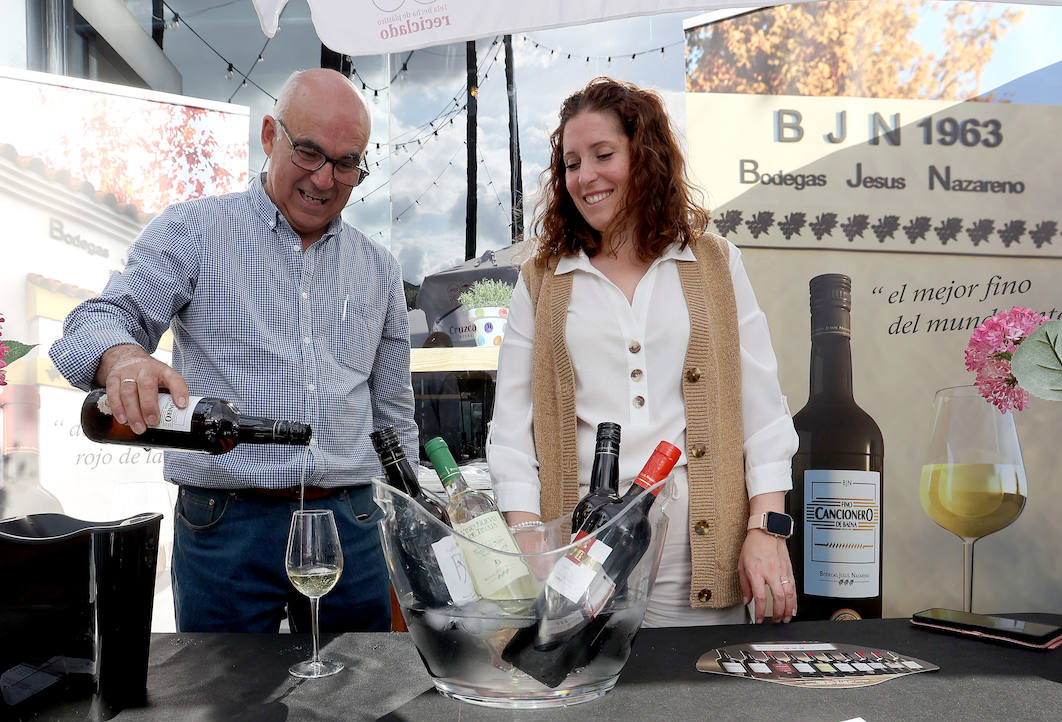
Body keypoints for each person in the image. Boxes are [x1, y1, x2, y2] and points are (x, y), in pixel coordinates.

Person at [49, 69, 416, 634]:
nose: (325, 178)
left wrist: (410, 519)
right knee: (224, 709)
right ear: (270, 136)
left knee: (357, 701)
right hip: (226, 527)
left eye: (347, 163)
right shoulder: (196, 232)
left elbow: (393, 413)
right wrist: (123, 359)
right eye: (310, 152)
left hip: (351, 521)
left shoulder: (379, 269)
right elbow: (100, 318)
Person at [486, 77, 798, 626]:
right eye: (571, 163)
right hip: (579, 548)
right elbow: (511, 429)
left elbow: (764, 410)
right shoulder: (543, 277)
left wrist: (764, 528)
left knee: (692, 699)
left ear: (645, 155)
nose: (585, 177)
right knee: (583, 700)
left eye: (603, 155)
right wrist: (534, 545)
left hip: (696, 546)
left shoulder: (715, 263)